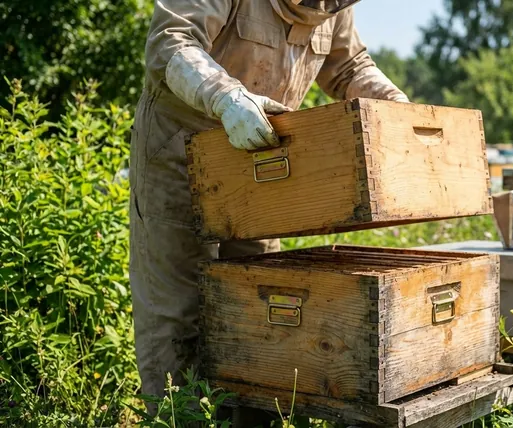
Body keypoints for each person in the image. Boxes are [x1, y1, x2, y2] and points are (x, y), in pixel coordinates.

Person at [128, 0, 408, 424]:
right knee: (178, 315)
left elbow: (348, 67)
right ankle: (182, 419)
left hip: (262, 164)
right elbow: (171, 42)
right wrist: (226, 98)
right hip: (178, 156)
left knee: (259, 308)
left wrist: (393, 103)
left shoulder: (335, 7)